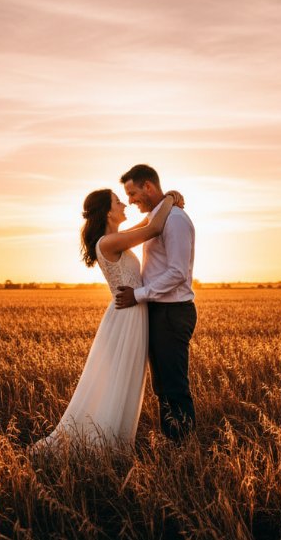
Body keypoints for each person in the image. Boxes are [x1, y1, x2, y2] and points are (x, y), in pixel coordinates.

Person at [33, 186, 183, 450]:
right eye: (117, 202)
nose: (124, 204)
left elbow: (148, 222)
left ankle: (113, 439)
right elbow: (153, 229)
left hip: (131, 313)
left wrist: (165, 202)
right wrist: (170, 198)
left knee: (125, 377)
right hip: (126, 317)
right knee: (120, 377)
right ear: (107, 212)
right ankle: (104, 442)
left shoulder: (115, 237)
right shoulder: (109, 242)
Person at [115, 164, 197, 442]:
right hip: (159, 310)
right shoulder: (157, 219)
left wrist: (137, 296)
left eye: (132, 193)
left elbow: (177, 272)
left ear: (148, 186)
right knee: (161, 385)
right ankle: (174, 440)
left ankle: (183, 447)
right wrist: (172, 197)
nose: (130, 200)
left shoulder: (174, 220)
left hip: (173, 312)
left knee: (173, 385)